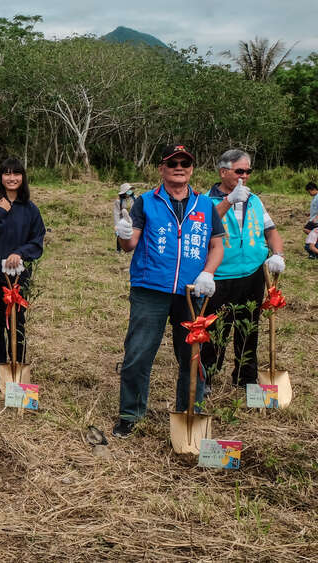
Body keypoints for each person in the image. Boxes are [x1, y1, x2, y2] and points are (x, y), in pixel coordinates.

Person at [112, 144, 225, 438]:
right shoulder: (146, 202)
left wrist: (207, 273)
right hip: (151, 288)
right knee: (138, 353)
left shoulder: (205, 205)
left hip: (192, 293)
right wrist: (124, 234)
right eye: (172, 162)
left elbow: (216, 245)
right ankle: (130, 414)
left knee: (192, 355)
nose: (179, 167)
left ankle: (191, 410)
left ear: (191, 168)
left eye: (185, 163)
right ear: (161, 168)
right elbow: (131, 244)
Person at [200, 150, 284, 388]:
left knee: (249, 328)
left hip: (253, 274)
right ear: (223, 171)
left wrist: (278, 254)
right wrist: (229, 201)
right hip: (221, 275)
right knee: (216, 329)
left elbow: (271, 230)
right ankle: (207, 375)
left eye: (248, 171)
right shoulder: (207, 200)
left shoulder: (254, 200)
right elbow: (205, 225)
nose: (245, 176)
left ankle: (245, 378)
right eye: (239, 171)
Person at [0, 158, 46, 387]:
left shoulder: (30, 209)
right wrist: (1, 213)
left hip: (18, 276)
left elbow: (37, 240)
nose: (11, 177)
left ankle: (17, 367)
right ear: (0, 177)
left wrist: (20, 253)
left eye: (16, 173)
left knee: (17, 323)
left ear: (22, 177)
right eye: (6, 173)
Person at [112, 183, 135, 252]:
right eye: (128, 190)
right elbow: (116, 214)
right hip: (123, 220)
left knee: (132, 233)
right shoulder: (118, 201)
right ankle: (119, 249)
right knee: (120, 234)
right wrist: (116, 225)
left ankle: (131, 248)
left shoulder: (134, 198)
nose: (130, 191)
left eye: (130, 190)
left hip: (132, 219)